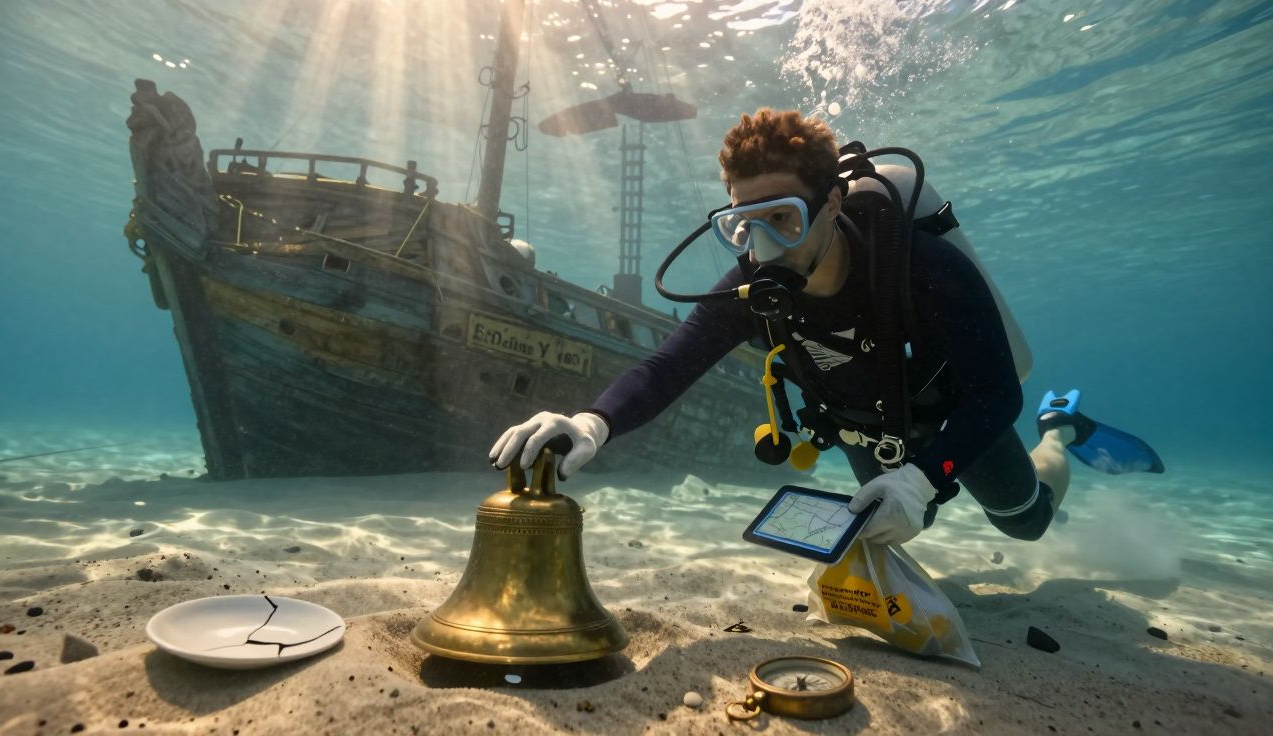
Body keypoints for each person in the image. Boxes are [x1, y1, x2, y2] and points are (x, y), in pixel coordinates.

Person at [489, 108, 1162, 547]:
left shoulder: (919, 267)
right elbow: (667, 366)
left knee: (1027, 522)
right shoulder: (752, 289)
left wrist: (927, 476)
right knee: (873, 538)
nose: (761, 246)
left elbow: (996, 394)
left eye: (781, 218)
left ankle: (1059, 434)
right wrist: (590, 423)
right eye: (741, 224)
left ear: (832, 203)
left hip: (958, 416)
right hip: (866, 425)